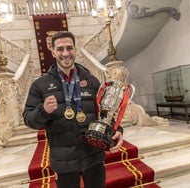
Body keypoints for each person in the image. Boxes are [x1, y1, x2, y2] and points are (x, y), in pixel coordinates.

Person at [23, 31, 123, 188]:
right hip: (64, 162)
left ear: (75, 49)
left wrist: (118, 130)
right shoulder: (40, 85)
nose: (65, 53)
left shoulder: (91, 81)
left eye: (69, 48)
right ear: (53, 51)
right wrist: (43, 110)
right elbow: (29, 120)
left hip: (93, 156)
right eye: (60, 49)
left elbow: (106, 113)